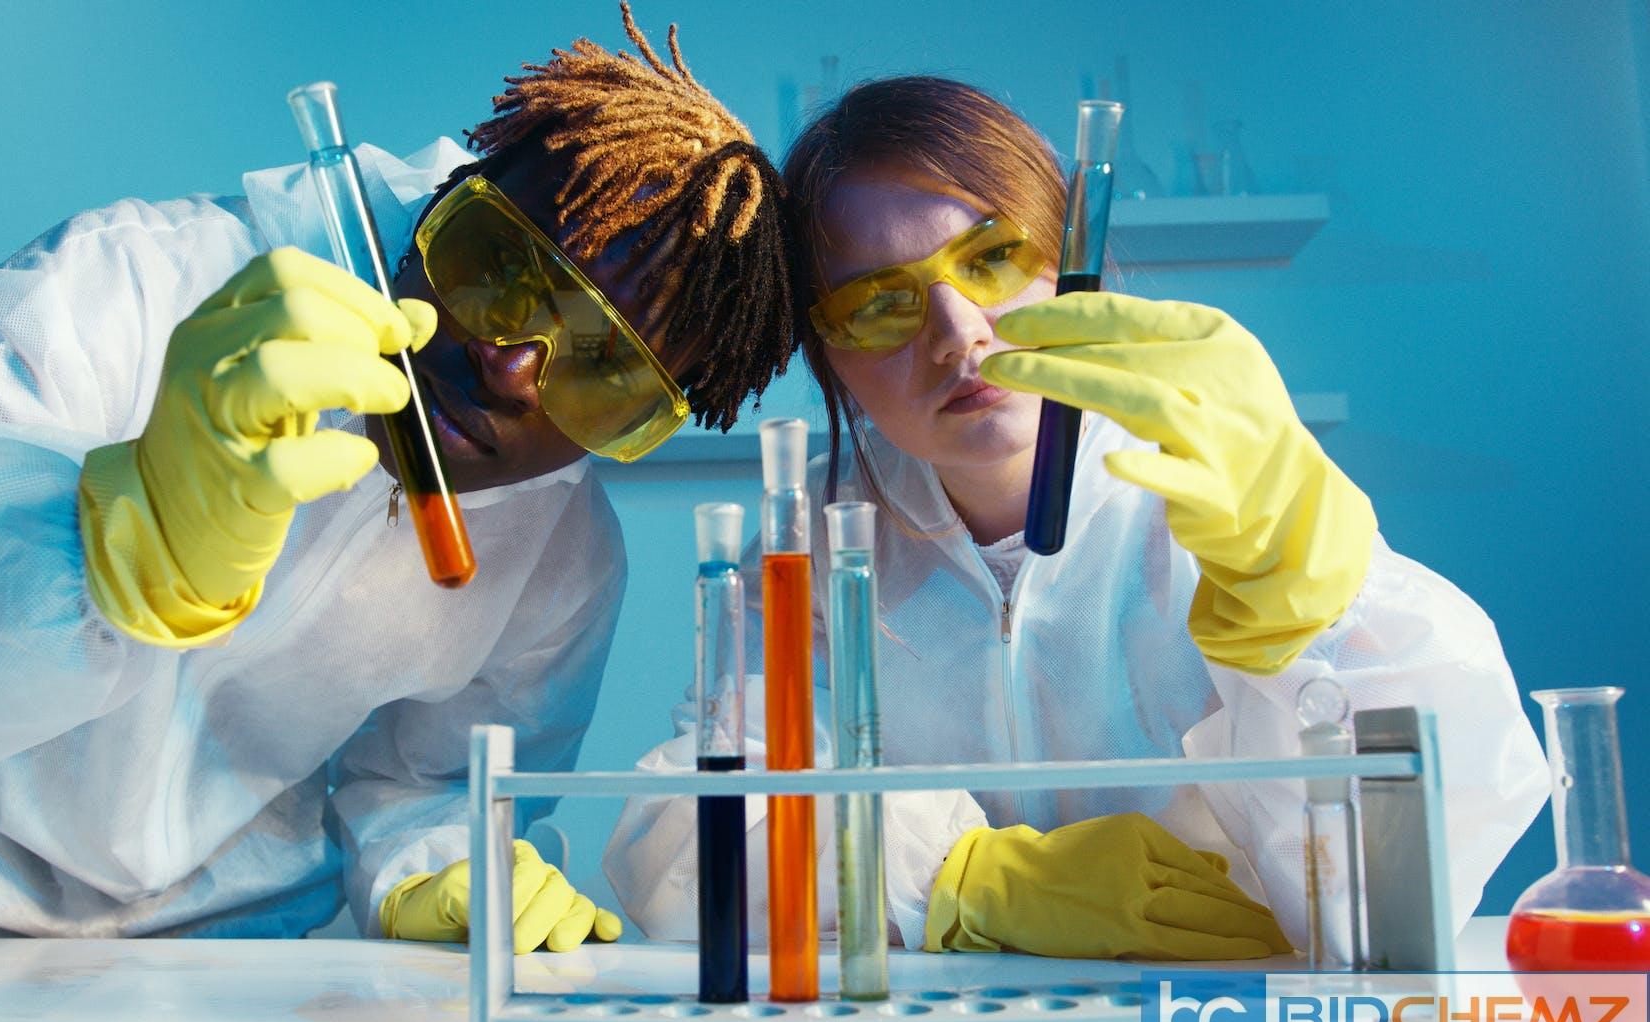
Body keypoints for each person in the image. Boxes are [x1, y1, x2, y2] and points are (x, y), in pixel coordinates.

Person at [0, 5, 796, 949]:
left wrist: (435, 862)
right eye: (507, 264)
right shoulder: (125, 288)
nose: (511, 362)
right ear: (449, 194)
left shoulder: (563, 558)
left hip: (208, 958)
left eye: (605, 365)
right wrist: (105, 539)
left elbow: (426, 784)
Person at [604, 76, 1549, 960]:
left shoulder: (1218, 491)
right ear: (826, 355)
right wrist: (958, 879)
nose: (957, 331)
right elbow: (690, 839)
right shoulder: (816, 537)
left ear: (1069, 263)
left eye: (990, 258)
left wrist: (1312, 613)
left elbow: (1411, 888)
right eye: (880, 303)